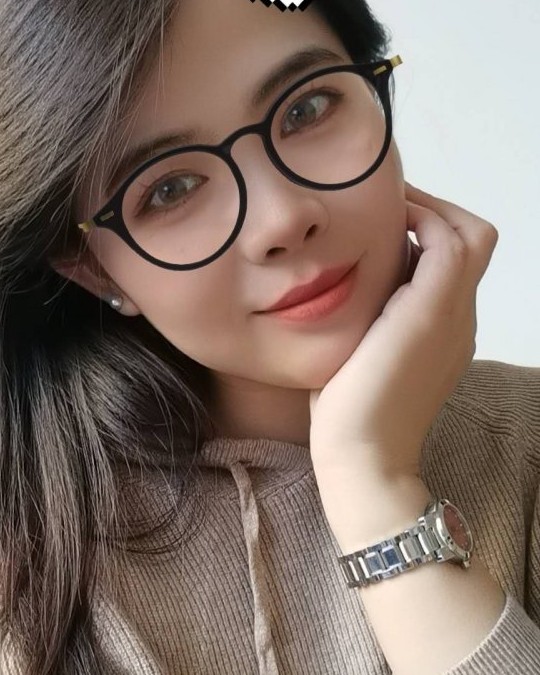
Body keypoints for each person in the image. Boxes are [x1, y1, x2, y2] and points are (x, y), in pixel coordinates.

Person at [0, 0, 538, 673]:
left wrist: (375, 484)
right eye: (170, 189)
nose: (282, 218)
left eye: (306, 109)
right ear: (93, 268)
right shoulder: (28, 552)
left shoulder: (526, 442)